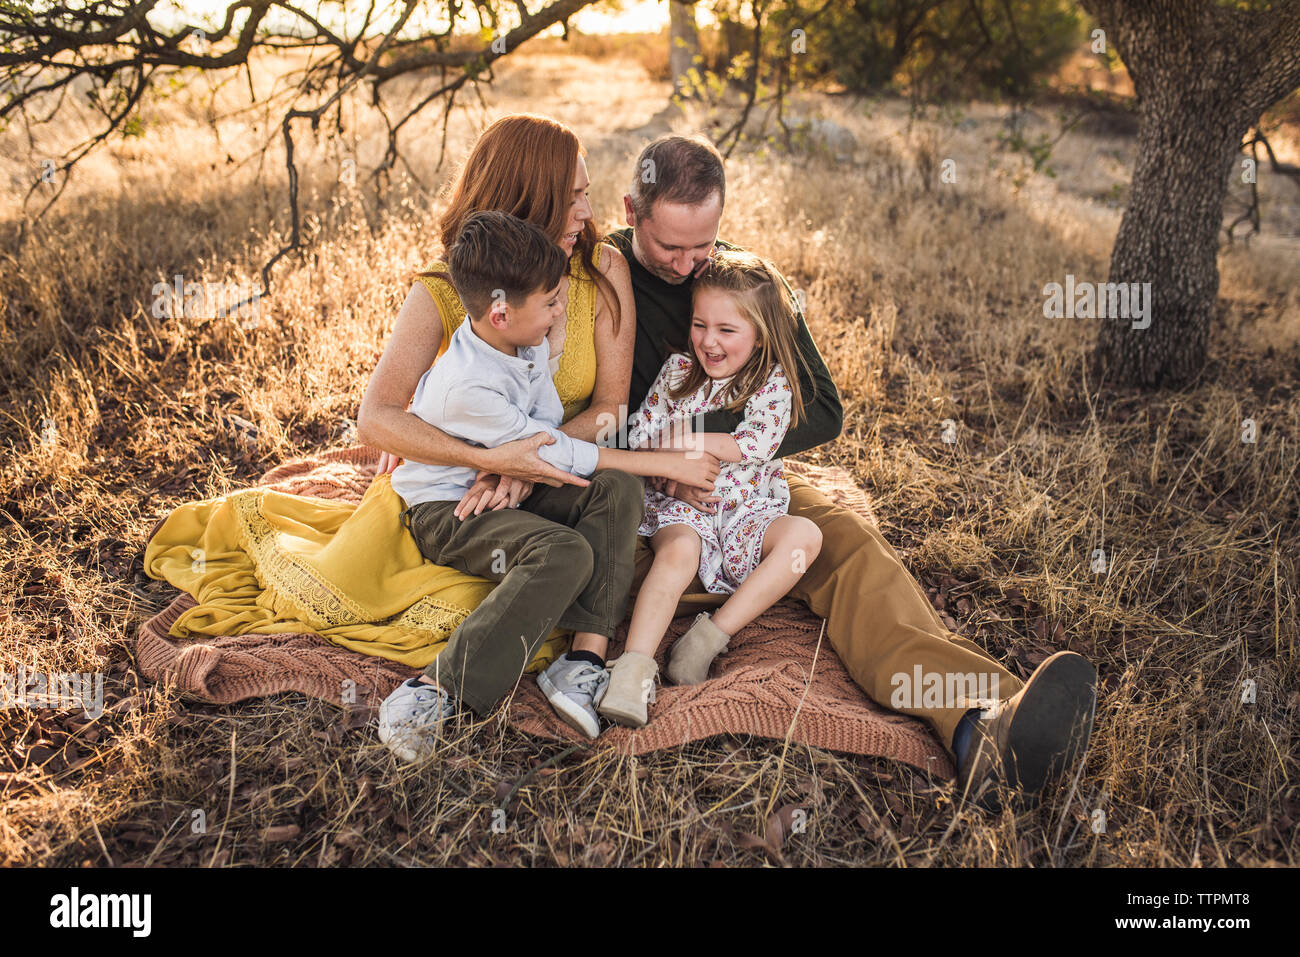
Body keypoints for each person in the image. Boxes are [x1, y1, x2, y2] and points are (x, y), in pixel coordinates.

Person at [603, 134, 1097, 811]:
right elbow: (594, 423)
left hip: (746, 476)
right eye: (672, 248)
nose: (692, 266)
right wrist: (665, 469)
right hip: (642, 491)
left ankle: (980, 720)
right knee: (662, 552)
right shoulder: (600, 279)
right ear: (632, 211)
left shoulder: (742, 278)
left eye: (704, 244)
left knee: (847, 545)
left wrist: (718, 447)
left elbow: (823, 410)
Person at [377, 210, 718, 760]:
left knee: (618, 490)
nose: (562, 313)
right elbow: (554, 450)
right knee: (564, 553)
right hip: (450, 508)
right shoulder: (468, 386)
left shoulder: (523, 342)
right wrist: (665, 463)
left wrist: (510, 466)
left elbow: (544, 436)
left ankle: (580, 662)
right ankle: (439, 689)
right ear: (501, 312)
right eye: (552, 304)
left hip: (502, 485)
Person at [597, 250, 822, 727]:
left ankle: (707, 639)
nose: (709, 341)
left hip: (746, 511)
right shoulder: (677, 373)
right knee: (678, 552)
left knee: (805, 538)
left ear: (760, 335)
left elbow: (759, 441)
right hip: (683, 508)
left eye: (726, 330)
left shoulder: (772, 383)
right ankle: (634, 669)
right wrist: (672, 470)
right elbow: (638, 436)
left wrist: (689, 437)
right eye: (700, 325)